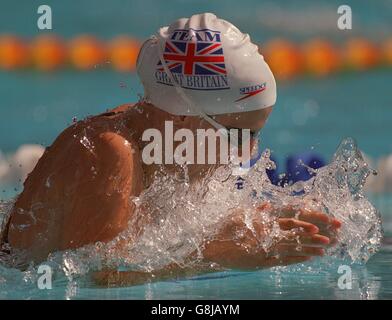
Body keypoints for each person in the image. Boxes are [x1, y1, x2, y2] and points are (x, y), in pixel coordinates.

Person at [1, 13, 340, 286]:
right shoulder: (110, 153)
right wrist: (215, 254)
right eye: (238, 134)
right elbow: (92, 280)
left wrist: (264, 223)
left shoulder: (158, 142)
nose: (247, 152)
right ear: (182, 114)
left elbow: (151, 244)